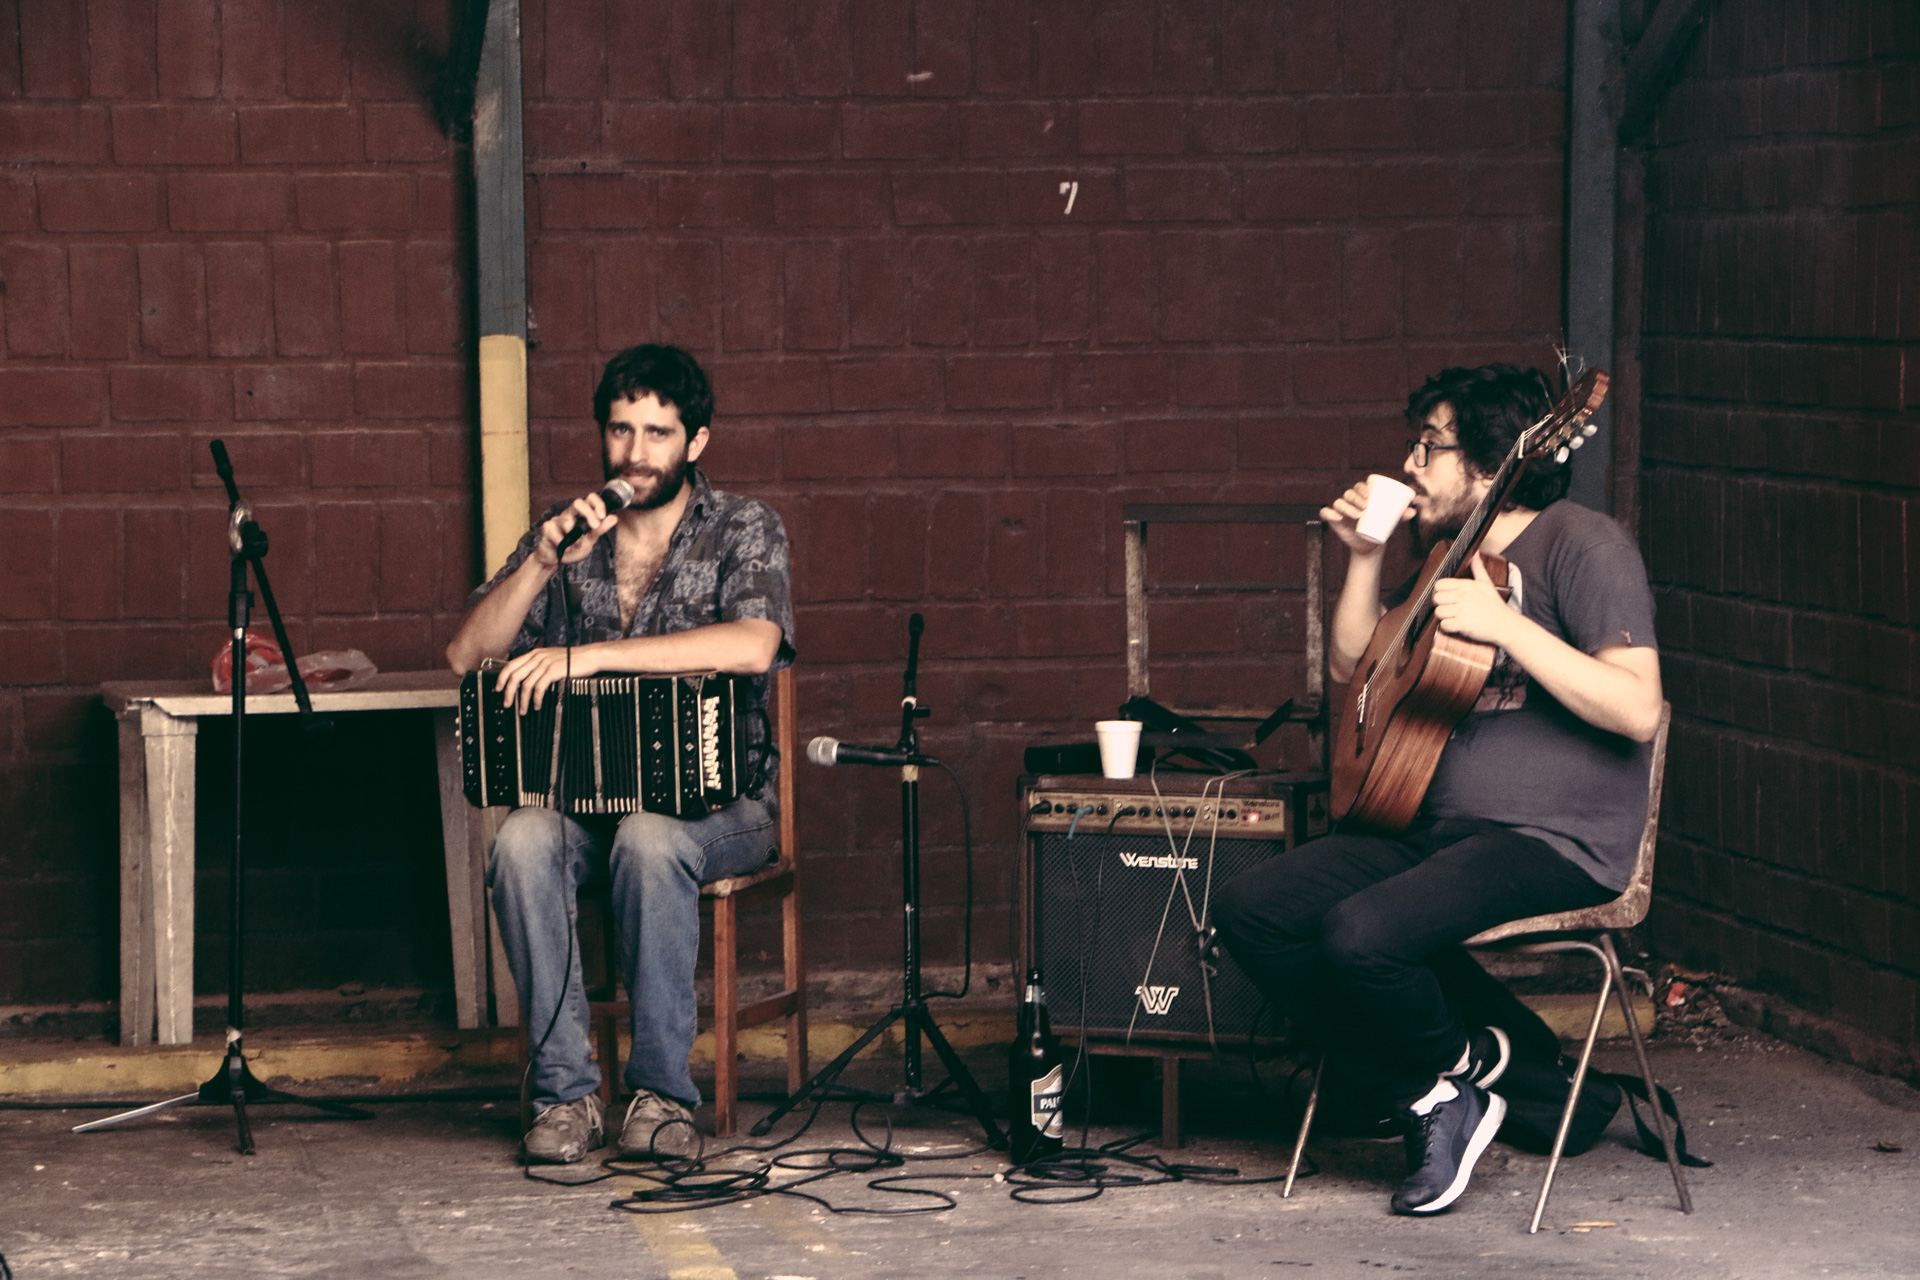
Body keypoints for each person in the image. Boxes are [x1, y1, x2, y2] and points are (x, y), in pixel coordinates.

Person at [1214, 364, 1663, 1215]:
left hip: (1551, 840)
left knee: (1361, 934)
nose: (1412, 464)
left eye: (1433, 446)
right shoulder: (1449, 556)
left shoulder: (1582, 543)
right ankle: (1444, 1087)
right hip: (1434, 826)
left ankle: (1467, 1077)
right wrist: (1365, 556)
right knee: (1254, 910)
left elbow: (1638, 708)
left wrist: (1506, 629)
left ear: (1495, 465)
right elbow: (1358, 666)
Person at [446, 344, 794, 1164]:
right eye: (620, 430)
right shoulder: (568, 538)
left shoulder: (744, 526)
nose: (636, 454)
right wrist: (538, 563)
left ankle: (662, 1097)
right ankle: (565, 1098)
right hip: (589, 806)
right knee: (523, 839)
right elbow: (467, 654)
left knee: (650, 836)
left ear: (696, 442)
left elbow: (754, 643)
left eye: (658, 433)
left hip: (723, 809)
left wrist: (589, 657)